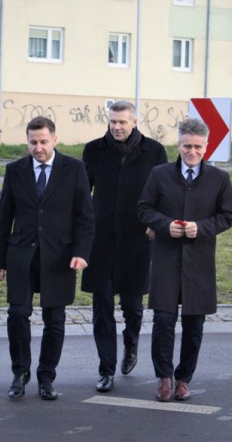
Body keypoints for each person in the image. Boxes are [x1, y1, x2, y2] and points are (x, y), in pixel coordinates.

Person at [0, 116, 95, 401]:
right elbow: (4, 218)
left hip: (60, 256)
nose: (38, 147)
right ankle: (19, 373)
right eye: (33, 142)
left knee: (55, 320)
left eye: (43, 142)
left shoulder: (74, 169)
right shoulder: (15, 171)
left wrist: (81, 253)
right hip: (21, 255)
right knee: (17, 315)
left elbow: (85, 217)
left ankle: (46, 376)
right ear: (27, 142)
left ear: (55, 140)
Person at [137, 118, 232, 402]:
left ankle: (184, 379)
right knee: (163, 321)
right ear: (178, 144)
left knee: (194, 324)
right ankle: (164, 377)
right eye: (186, 146)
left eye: (197, 147)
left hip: (200, 261)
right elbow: (144, 208)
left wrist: (201, 228)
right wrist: (164, 224)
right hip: (167, 258)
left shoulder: (220, 179)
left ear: (206, 147)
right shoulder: (160, 174)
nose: (191, 152)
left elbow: (228, 215)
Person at [81, 100, 168, 393]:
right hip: (100, 240)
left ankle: (131, 343)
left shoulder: (154, 151)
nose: (117, 127)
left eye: (122, 122)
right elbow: (83, 194)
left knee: (132, 307)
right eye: (113, 122)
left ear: (134, 122)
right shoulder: (94, 150)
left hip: (137, 240)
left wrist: (155, 223)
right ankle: (106, 369)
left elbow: (163, 193)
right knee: (101, 305)